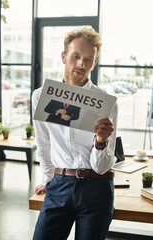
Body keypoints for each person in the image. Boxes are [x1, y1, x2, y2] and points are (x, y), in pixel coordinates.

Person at [32, 25, 118, 240]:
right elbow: (43, 143)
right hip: (59, 185)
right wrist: (49, 179)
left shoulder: (106, 103)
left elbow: (102, 166)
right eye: (76, 56)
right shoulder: (40, 96)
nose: (81, 63)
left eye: (88, 59)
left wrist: (101, 142)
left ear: (95, 63)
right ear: (64, 56)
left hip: (97, 189)